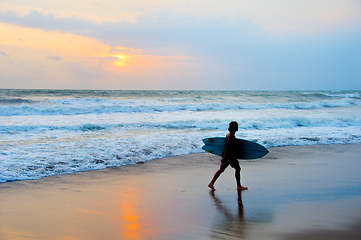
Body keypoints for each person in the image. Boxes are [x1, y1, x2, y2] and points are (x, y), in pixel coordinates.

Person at [208, 121, 248, 191]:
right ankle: (239, 186)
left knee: (222, 170)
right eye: (236, 127)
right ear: (235, 128)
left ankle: (211, 183)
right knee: (237, 169)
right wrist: (224, 157)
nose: (237, 128)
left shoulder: (229, 134)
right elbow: (227, 148)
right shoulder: (231, 136)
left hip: (229, 156)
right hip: (230, 156)